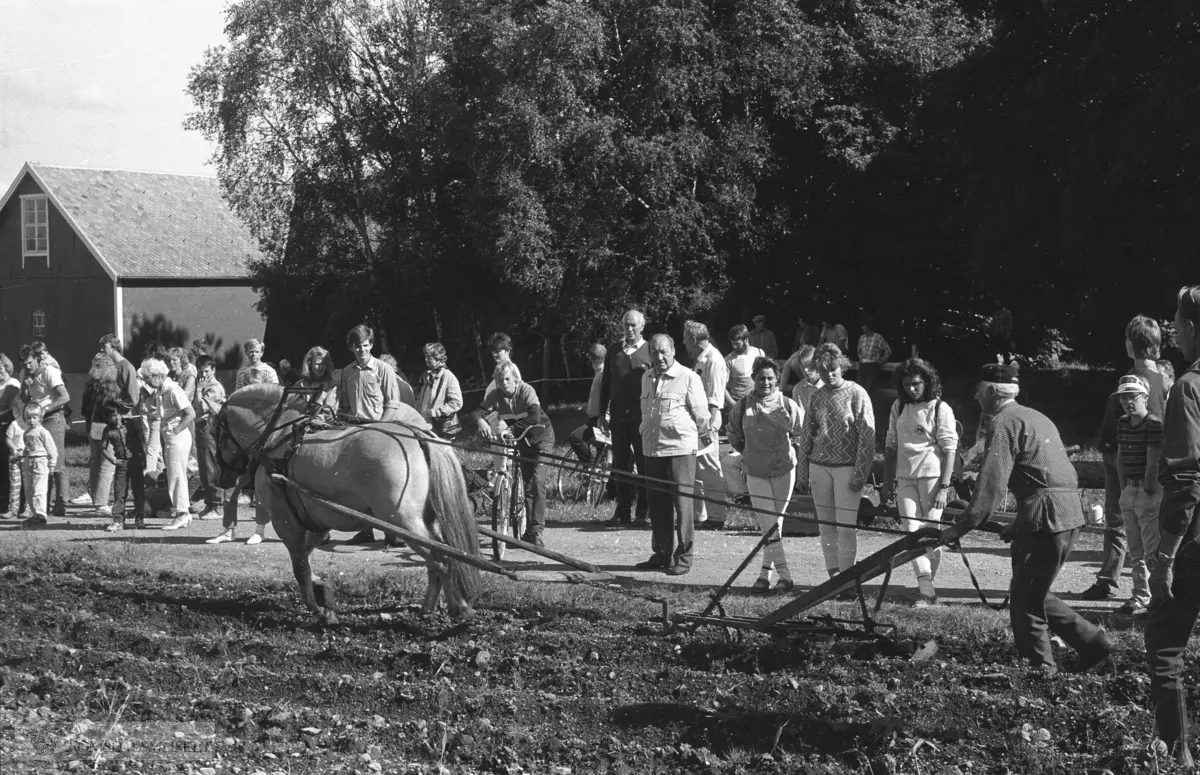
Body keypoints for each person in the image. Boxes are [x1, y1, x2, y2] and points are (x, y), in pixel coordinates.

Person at [943, 363, 1112, 675]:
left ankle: (1040, 672)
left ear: (992, 391)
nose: (977, 398)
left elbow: (990, 490)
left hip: (1046, 516)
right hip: (1067, 513)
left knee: (1024, 604)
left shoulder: (1003, 422)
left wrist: (958, 528)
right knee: (1033, 591)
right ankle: (1091, 642)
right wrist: (1020, 523)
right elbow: (1048, 475)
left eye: (979, 392)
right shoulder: (1035, 417)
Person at [1144, 284, 1200, 766]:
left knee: (1164, 643)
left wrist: (1165, 554)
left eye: (1177, 324)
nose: (1173, 332)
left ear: (1192, 328)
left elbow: (1185, 479)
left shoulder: (1188, 387)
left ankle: (1178, 756)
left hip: (1195, 544)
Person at [1079, 315, 1169, 601]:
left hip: (1126, 461)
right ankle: (1155, 588)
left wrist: (1105, 447)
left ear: (1131, 344)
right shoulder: (1165, 382)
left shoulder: (1130, 382)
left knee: (1118, 521)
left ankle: (1109, 579)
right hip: (1156, 466)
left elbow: (1110, 427)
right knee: (1153, 528)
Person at [881, 358, 956, 606]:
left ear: (926, 382)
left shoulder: (939, 408)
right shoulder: (898, 407)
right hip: (905, 478)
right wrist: (886, 483)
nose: (912, 389)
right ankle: (926, 588)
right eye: (906, 385)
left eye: (916, 384)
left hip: (932, 478)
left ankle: (926, 587)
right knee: (912, 534)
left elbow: (949, 449)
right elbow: (891, 446)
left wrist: (944, 487)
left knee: (931, 533)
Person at [795, 344, 875, 577]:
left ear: (842, 367)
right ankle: (834, 576)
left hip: (847, 468)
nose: (828, 375)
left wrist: (860, 474)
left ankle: (847, 577)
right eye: (822, 370)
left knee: (846, 526)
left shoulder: (857, 393)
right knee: (826, 525)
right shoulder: (816, 397)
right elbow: (807, 435)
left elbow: (867, 438)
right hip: (819, 467)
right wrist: (803, 473)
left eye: (833, 369)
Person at [727, 357, 802, 592]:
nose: (765, 382)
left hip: (783, 471)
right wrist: (749, 452)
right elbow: (733, 435)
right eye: (761, 378)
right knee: (768, 525)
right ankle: (786, 577)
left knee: (774, 525)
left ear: (777, 379)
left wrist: (793, 452)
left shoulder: (788, 404)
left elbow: (801, 434)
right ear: (753, 379)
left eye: (770, 378)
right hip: (755, 472)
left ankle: (763, 576)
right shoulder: (742, 406)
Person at [636, 334, 709, 576]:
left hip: (679, 451)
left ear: (673, 350)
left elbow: (702, 416)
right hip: (652, 451)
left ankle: (684, 558)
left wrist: (698, 439)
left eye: (664, 352)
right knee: (657, 506)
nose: (659, 357)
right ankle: (661, 554)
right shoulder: (646, 378)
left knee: (683, 506)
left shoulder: (688, 377)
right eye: (655, 352)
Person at [337, 323, 410, 545]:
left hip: (380, 431)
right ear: (351, 347)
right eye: (357, 346)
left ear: (371, 345)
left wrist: (380, 429)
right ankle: (366, 530)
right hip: (356, 432)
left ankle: (393, 533)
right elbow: (346, 405)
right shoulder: (347, 372)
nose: (362, 350)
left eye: (366, 345)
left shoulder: (383, 370)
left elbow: (393, 403)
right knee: (360, 484)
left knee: (384, 484)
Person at [473, 361, 554, 546]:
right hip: (521, 442)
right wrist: (481, 421)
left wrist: (511, 430)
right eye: (500, 380)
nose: (504, 383)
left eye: (507, 379)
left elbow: (534, 417)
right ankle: (529, 532)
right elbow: (477, 411)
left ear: (516, 379)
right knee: (526, 485)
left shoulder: (527, 391)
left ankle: (537, 530)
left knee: (538, 481)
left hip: (542, 438)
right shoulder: (495, 395)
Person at [1110, 374, 1164, 618]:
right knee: (1135, 549)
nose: (1127, 402)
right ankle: (1141, 594)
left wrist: (1149, 489)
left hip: (1147, 489)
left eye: (1132, 397)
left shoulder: (1153, 424)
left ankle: (1159, 596)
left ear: (1144, 397)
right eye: (1123, 398)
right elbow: (1120, 455)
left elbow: (1153, 460)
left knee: (1152, 548)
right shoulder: (1122, 422)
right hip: (1130, 489)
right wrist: (1124, 487)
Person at [598, 310, 652, 528]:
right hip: (618, 417)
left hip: (642, 417)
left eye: (633, 325)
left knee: (644, 463)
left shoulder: (650, 350)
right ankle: (622, 512)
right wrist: (602, 414)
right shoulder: (614, 351)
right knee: (620, 466)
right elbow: (606, 384)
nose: (629, 329)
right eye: (626, 325)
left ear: (641, 327)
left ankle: (643, 512)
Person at [683, 321, 728, 530]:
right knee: (697, 470)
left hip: (708, 420)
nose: (683, 342)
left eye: (685, 338)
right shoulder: (702, 359)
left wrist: (708, 427)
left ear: (693, 339)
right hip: (698, 421)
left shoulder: (714, 360)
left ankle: (717, 516)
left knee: (710, 468)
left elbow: (715, 398)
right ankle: (699, 515)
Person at [101, 335, 148, 529]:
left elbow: (133, 398)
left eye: (105, 347)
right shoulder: (110, 368)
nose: (103, 351)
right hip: (115, 421)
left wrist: (117, 406)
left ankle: (139, 518)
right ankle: (118, 519)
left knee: (136, 477)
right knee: (120, 480)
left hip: (128, 422)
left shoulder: (126, 367)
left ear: (113, 347)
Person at [143, 359, 196, 531]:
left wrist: (176, 430)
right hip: (169, 435)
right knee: (174, 473)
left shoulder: (173, 390)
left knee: (177, 474)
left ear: (158, 376)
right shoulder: (161, 390)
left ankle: (181, 513)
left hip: (177, 436)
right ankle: (183, 512)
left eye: (148, 378)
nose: (146, 381)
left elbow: (190, 413)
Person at [18, 342, 70, 517]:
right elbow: (25, 398)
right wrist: (25, 385)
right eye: (24, 363)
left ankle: (61, 504)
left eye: (30, 362)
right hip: (35, 420)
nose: (28, 366)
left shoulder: (50, 372)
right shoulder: (25, 373)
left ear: (38, 359)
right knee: (39, 463)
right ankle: (42, 507)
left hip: (53, 418)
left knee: (56, 462)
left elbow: (65, 397)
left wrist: (45, 409)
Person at [723, 324, 767, 505]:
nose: (734, 346)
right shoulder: (729, 360)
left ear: (746, 340)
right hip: (739, 406)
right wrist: (733, 405)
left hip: (759, 405)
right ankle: (742, 493)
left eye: (737, 343)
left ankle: (757, 489)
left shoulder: (759, 353)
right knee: (741, 447)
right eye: (732, 343)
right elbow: (722, 386)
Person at [79, 353, 120, 515]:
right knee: (107, 465)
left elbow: (83, 410)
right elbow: (110, 408)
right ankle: (102, 503)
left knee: (95, 463)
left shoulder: (90, 385)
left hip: (91, 427)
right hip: (106, 428)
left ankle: (96, 499)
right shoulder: (109, 385)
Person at [193, 356, 228, 522]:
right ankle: (209, 503)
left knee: (211, 466)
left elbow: (201, 407)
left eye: (206, 371)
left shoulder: (213, 387)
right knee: (203, 467)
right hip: (200, 427)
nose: (203, 374)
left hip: (209, 428)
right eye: (200, 371)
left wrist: (199, 390)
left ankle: (217, 504)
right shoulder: (204, 385)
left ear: (213, 370)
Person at [567, 343, 609, 465]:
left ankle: (589, 464)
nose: (591, 362)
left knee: (575, 437)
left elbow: (606, 398)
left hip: (599, 420)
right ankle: (592, 474)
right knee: (600, 450)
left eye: (592, 358)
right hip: (592, 417)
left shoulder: (603, 375)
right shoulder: (598, 373)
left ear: (597, 358)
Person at [17, 403, 56, 528]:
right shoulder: (26, 432)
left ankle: (41, 515)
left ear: (40, 418)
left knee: (39, 490)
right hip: (28, 462)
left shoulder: (43, 432)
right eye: (28, 418)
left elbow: (52, 450)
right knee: (29, 489)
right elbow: (26, 448)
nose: (31, 420)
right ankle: (34, 514)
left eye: (34, 417)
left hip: (40, 461)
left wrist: (52, 464)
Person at [416, 342, 463, 436]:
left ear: (439, 358)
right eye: (425, 356)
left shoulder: (448, 376)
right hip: (424, 425)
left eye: (429, 357)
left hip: (440, 427)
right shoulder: (426, 376)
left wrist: (437, 412)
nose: (426, 359)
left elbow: (457, 402)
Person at [101, 405, 133, 532]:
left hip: (134, 462)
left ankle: (139, 518)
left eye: (118, 414)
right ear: (108, 418)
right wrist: (113, 460)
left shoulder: (129, 425)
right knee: (119, 492)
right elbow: (103, 447)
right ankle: (118, 520)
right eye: (113, 415)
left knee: (139, 492)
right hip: (121, 463)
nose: (117, 418)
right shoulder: (108, 431)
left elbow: (140, 440)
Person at [0, 354, 20, 512]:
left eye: (1, 366)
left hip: (6, 428)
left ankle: (6, 504)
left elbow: (4, 404)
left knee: (6, 467)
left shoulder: (13, 384)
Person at [856, 317, 892, 396]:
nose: (863, 327)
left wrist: (881, 361)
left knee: (870, 388)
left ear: (869, 326)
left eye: (865, 325)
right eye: (862, 326)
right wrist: (861, 359)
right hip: (863, 364)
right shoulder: (862, 338)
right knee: (860, 386)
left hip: (873, 365)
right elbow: (859, 351)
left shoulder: (877, 337)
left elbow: (888, 350)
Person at [294, 346, 338, 411]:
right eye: (318, 364)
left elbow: (329, 412)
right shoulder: (299, 384)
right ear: (309, 364)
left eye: (324, 364)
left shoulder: (332, 385)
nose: (321, 367)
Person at [5, 397, 26, 519]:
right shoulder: (14, 425)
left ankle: (29, 509)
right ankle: (13, 509)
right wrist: (13, 448)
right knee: (15, 485)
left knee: (29, 485)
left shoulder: (32, 424)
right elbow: (8, 439)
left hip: (27, 457)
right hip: (15, 457)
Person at [788, 345, 822, 420]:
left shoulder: (829, 384)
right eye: (802, 367)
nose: (805, 370)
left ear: (817, 364)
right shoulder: (798, 389)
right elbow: (798, 416)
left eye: (808, 366)